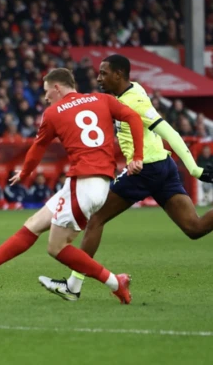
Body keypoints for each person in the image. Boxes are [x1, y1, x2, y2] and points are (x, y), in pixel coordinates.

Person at [0, 68, 146, 304]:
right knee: (34, 224)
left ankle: (114, 281)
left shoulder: (53, 113)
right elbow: (133, 117)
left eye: (46, 91)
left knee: (56, 247)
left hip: (81, 183)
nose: (45, 97)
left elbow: (38, 148)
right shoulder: (102, 99)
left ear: (58, 87)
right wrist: (137, 157)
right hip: (99, 183)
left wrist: (26, 172)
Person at [39, 54, 213, 300]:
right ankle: (73, 285)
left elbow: (169, 131)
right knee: (194, 228)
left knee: (96, 218)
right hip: (163, 166)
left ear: (118, 75)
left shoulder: (135, 102)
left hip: (145, 170)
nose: (98, 78)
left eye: (103, 73)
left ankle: (73, 286)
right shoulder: (130, 93)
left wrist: (194, 169)